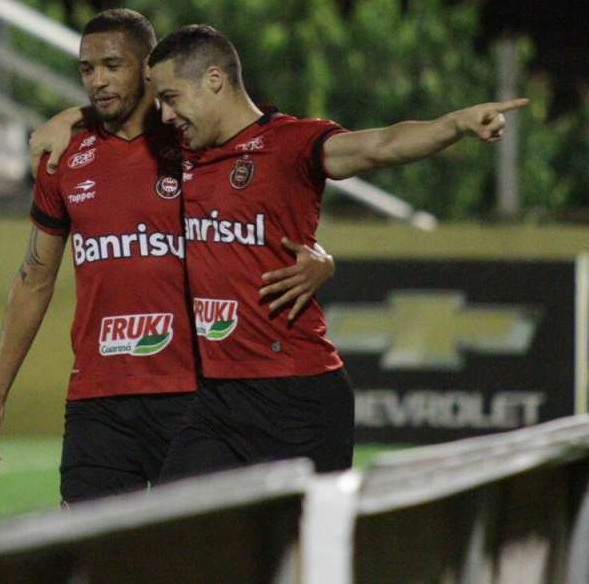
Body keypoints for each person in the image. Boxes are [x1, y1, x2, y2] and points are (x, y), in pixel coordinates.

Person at [0, 10, 335, 505]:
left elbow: (277, 182)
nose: (98, 81)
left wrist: (324, 258)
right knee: (91, 550)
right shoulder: (64, 160)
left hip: (194, 398)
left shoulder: (197, 146)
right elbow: (34, 279)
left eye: (112, 66)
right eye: (86, 69)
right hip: (97, 400)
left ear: (148, 69)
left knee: (184, 555)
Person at [140, 24, 527, 478]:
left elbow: (380, 146)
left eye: (171, 97)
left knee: (309, 545)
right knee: (172, 530)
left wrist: (455, 124)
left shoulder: (291, 144)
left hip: (297, 395)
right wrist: (64, 123)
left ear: (213, 79)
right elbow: (110, 122)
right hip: (217, 399)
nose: (164, 115)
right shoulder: (180, 153)